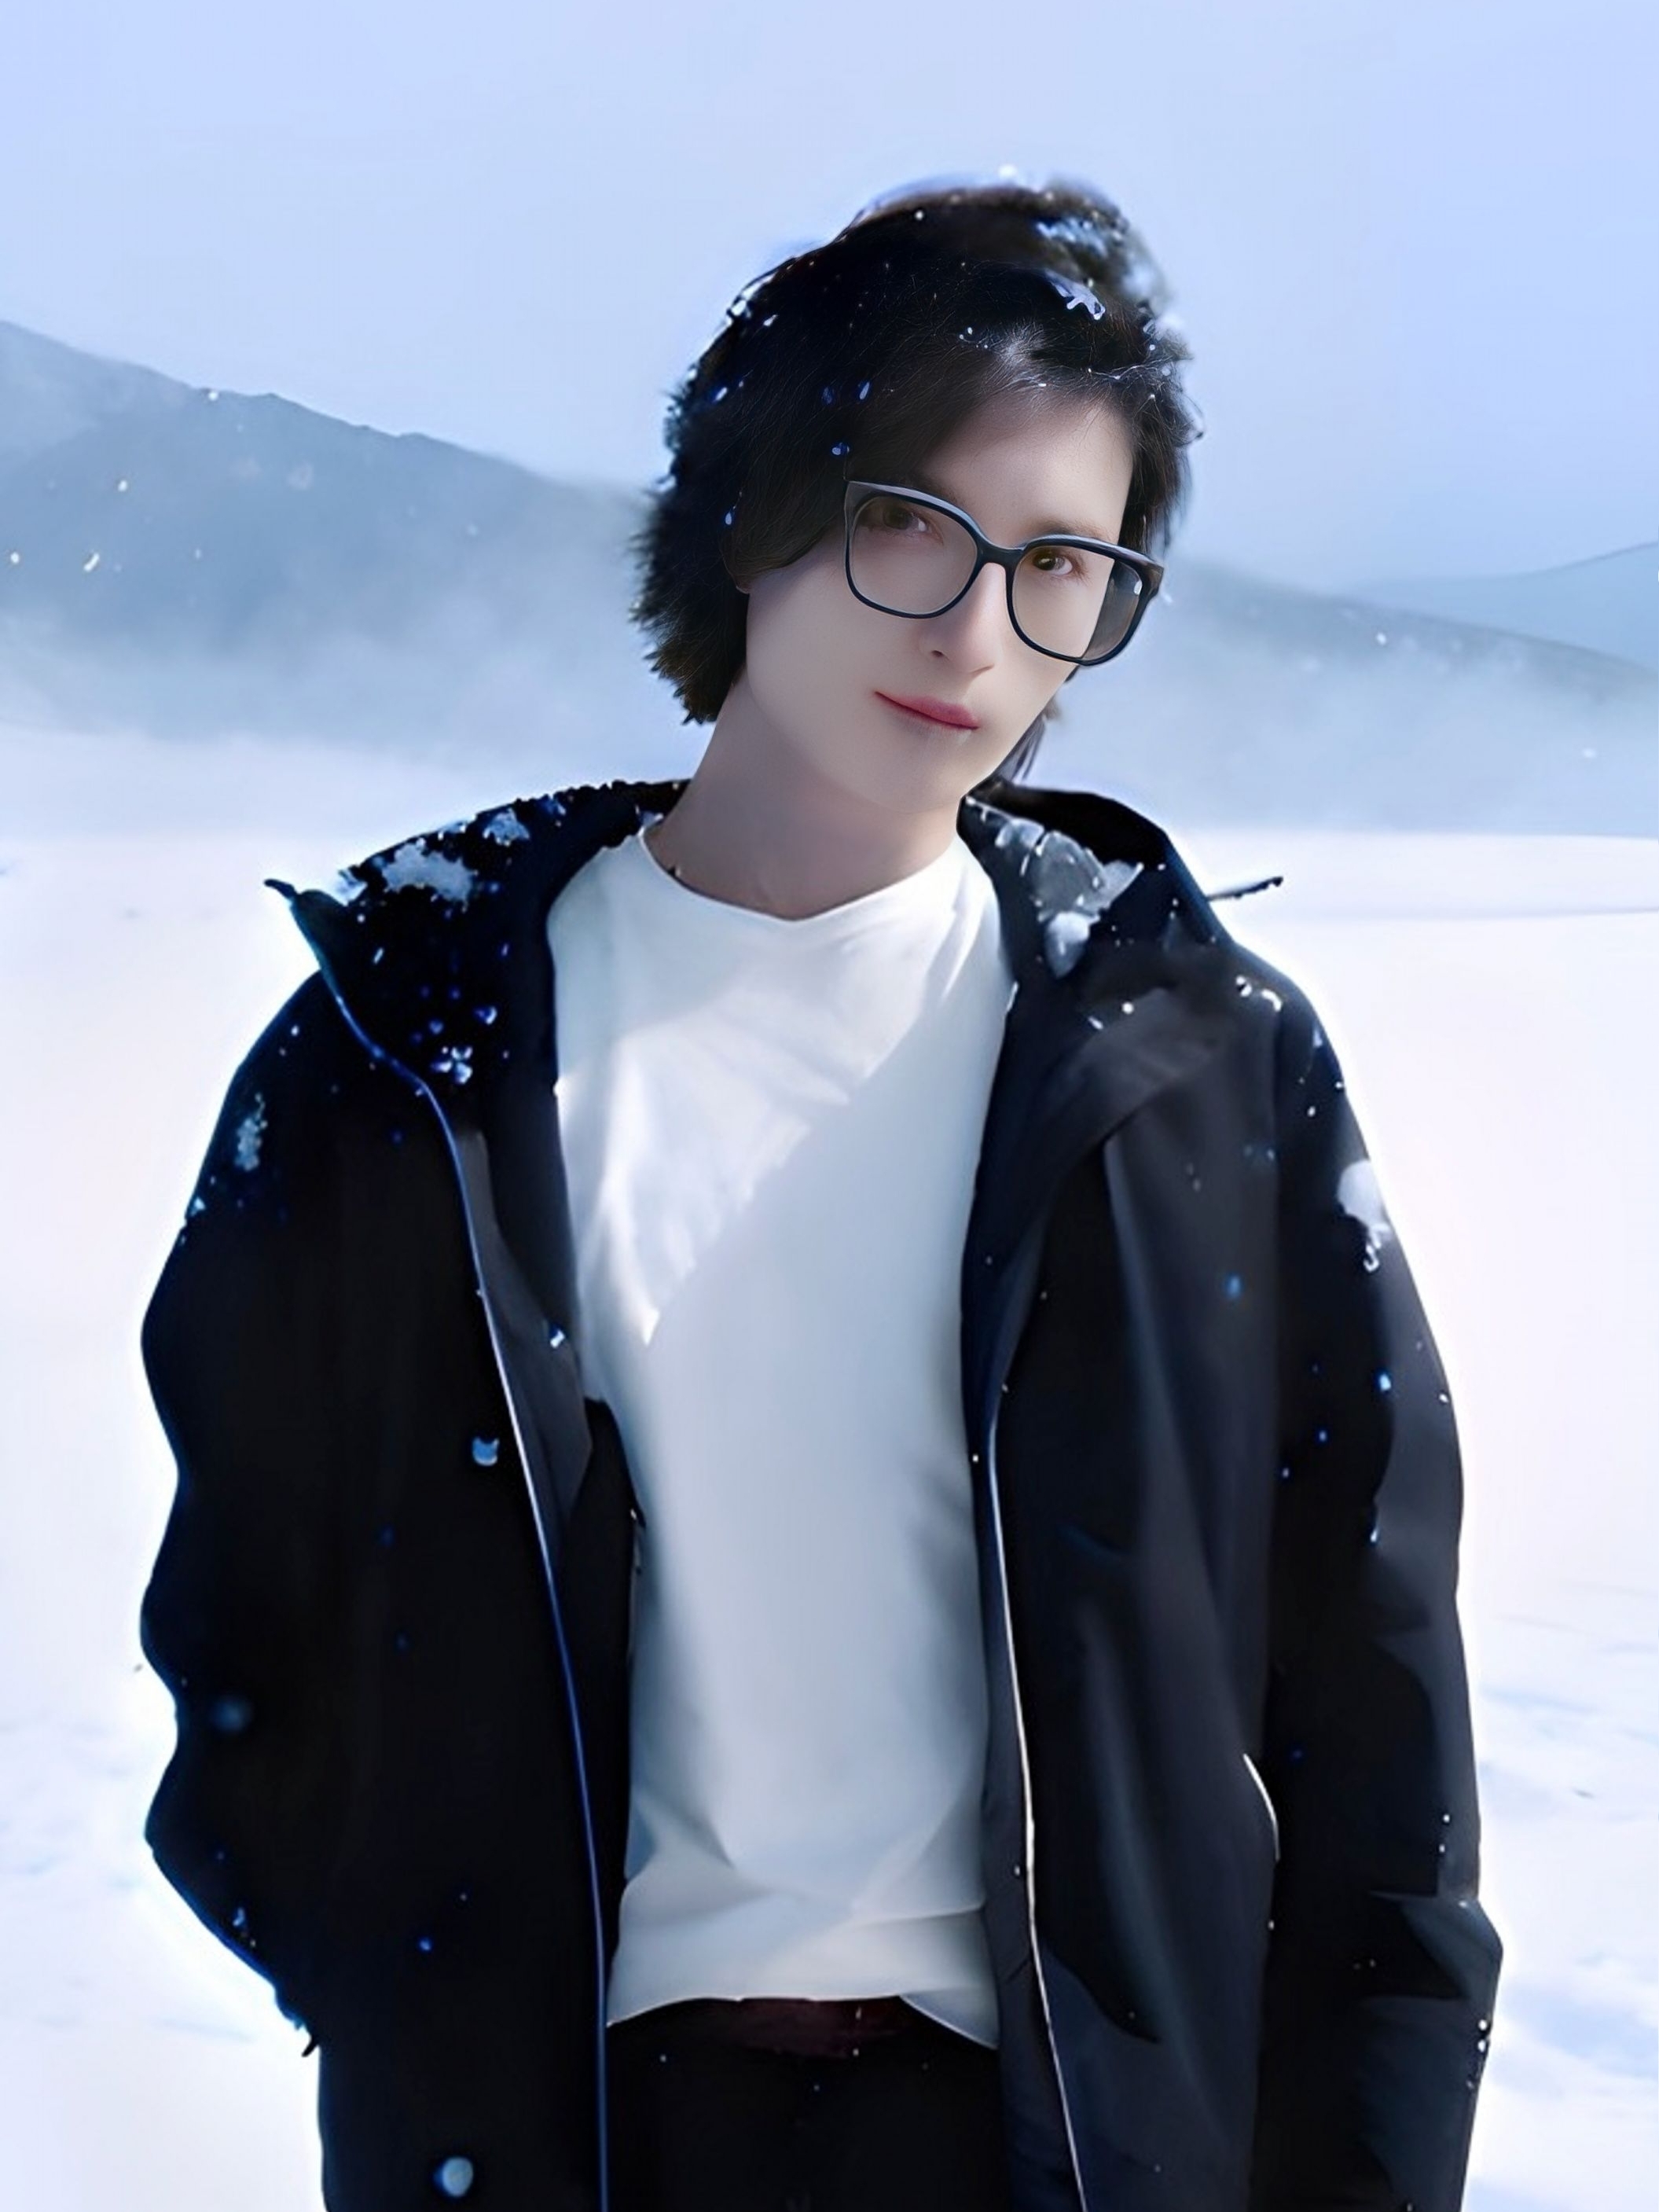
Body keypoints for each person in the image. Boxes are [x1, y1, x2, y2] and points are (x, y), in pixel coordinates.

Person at [137, 175, 1503, 2212]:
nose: (973, 630)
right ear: (752, 513)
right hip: (573, 2138)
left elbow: (1378, 1732)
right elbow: (243, 1649)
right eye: (910, 523)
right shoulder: (405, 1053)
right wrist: (429, 2006)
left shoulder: (1199, 1064)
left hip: (1070, 2151)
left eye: (1061, 566)